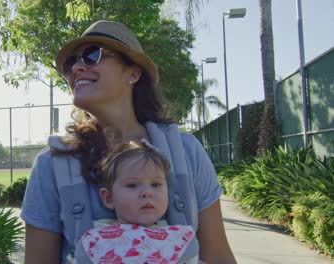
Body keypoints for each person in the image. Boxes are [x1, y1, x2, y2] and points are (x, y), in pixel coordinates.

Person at [21, 20, 236, 264]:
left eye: (92, 55)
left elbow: (218, 255)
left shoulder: (187, 152)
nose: (76, 68)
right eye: (72, 63)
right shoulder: (52, 163)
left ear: (132, 73)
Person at [68, 140, 196, 263]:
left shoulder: (176, 239)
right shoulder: (96, 241)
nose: (147, 192)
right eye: (133, 185)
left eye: (156, 184)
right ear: (108, 198)